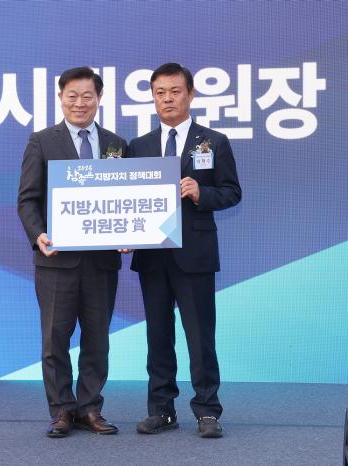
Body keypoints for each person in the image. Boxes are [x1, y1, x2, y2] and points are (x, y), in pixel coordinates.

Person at [128, 63, 241, 438]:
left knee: (200, 337)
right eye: (160, 93)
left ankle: (207, 411)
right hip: (152, 256)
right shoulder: (138, 147)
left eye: (175, 91)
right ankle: (161, 410)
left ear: (190, 94)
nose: (167, 99)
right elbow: (127, 199)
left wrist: (200, 192)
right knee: (158, 337)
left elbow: (232, 192)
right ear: (152, 97)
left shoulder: (214, 141)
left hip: (195, 254)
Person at [17, 66, 127, 438]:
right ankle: (62, 409)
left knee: (98, 339)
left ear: (99, 98)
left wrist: (129, 232)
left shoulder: (116, 144)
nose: (80, 103)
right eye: (72, 96)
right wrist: (39, 234)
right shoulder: (41, 141)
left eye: (87, 96)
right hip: (56, 260)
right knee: (55, 340)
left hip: (101, 261)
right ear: (61, 97)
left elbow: (125, 200)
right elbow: (27, 199)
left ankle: (90, 408)